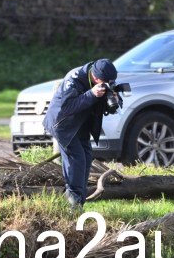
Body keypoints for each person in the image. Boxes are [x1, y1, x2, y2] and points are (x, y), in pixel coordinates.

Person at [43, 59, 118, 209]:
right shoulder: (74, 79)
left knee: (86, 157)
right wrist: (92, 94)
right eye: (103, 83)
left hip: (81, 123)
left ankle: (78, 201)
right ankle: (73, 202)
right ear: (96, 78)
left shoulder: (103, 79)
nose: (105, 85)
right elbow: (67, 107)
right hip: (63, 124)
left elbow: (108, 104)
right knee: (76, 159)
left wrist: (114, 99)